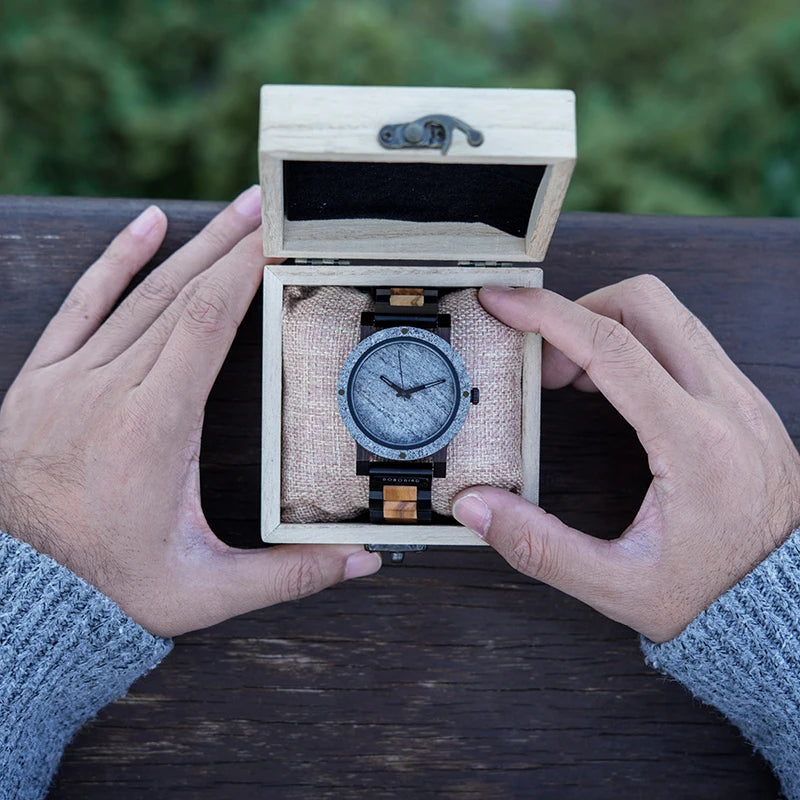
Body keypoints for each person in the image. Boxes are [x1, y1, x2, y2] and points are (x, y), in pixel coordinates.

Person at [0, 185, 798, 799]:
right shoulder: (361, 383)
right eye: (391, 392)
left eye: (431, 393)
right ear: (347, 390)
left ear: (465, 394)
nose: (414, 398)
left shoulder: (440, 368)